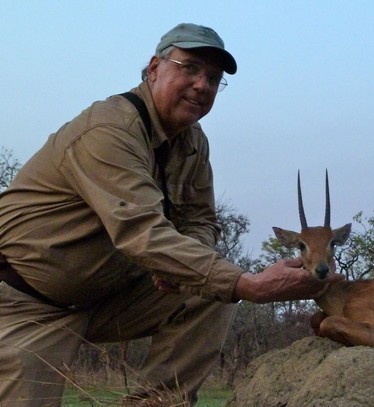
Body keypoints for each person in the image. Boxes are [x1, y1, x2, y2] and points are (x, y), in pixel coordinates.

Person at [0, 23, 341, 406]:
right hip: (27, 303)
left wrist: (178, 268)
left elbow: (202, 220)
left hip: (107, 299)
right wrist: (251, 285)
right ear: (154, 68)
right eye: (190, 68)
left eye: (213, 78)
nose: (202, 85)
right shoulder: (109, 129)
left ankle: (157, 402)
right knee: (228, 282)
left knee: (210, 290)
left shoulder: (194, 143)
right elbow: (141, 233)